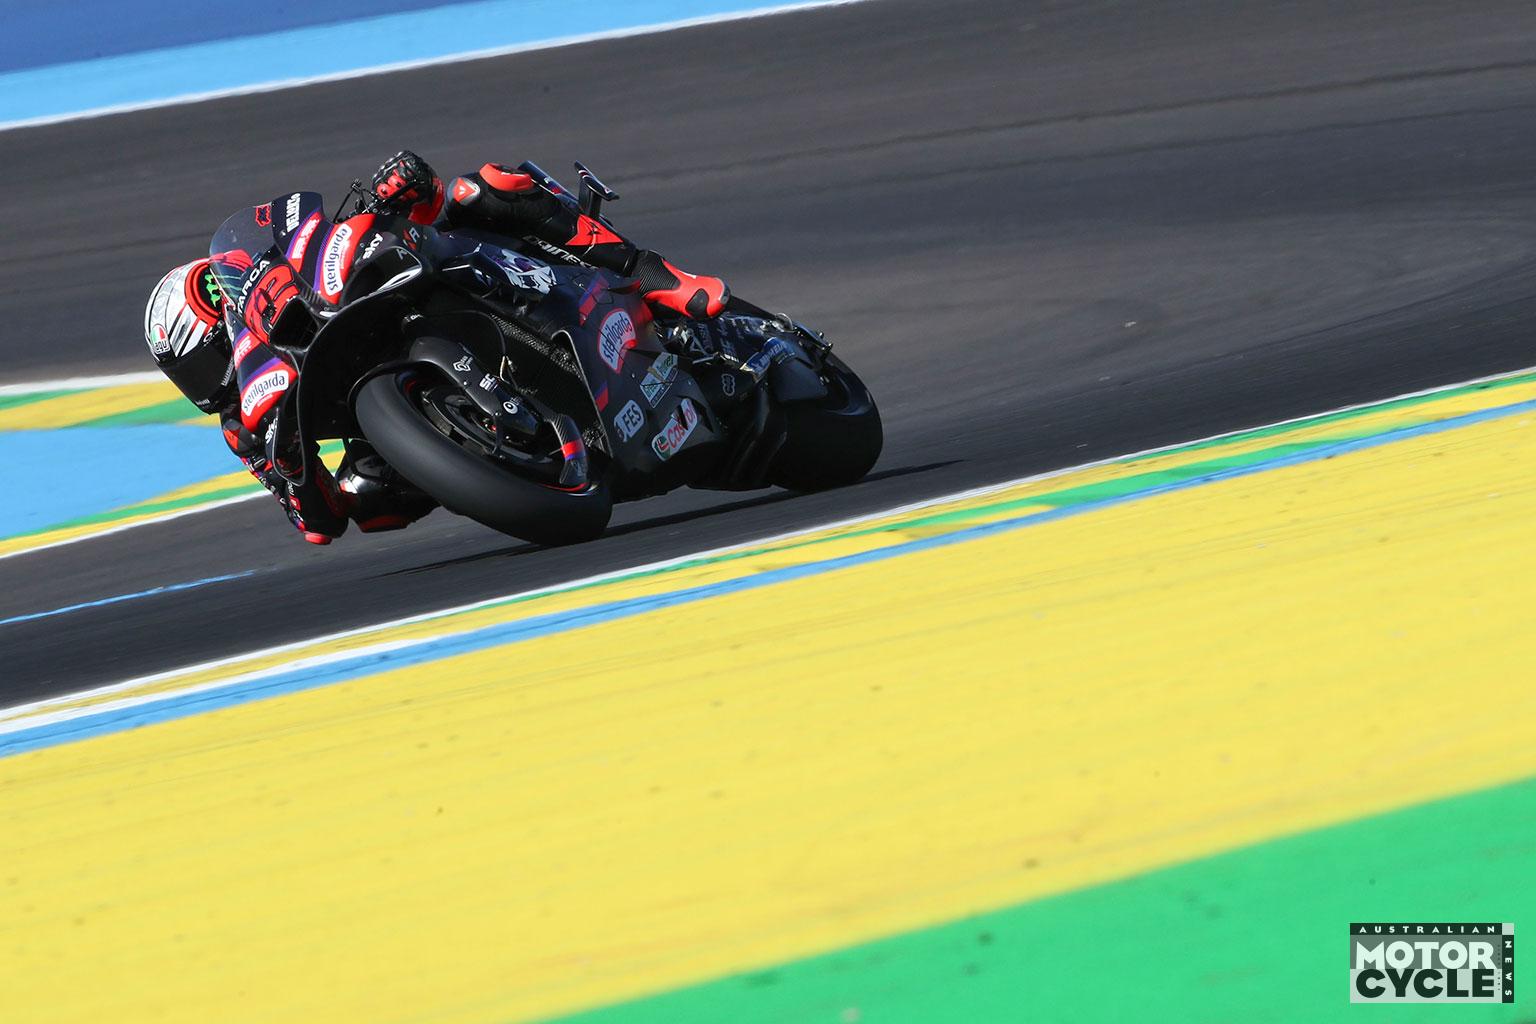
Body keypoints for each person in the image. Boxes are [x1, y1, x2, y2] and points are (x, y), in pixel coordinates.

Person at [143, 150, 730, 544]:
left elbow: (387, 208)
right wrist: (294, 472)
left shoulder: (269, 280)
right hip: (369, 411)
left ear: (222, 310)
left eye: (202, 358)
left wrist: (394, 191)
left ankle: (658, 278)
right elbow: (320, 524)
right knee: (368, 498)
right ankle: (499, 459)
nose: (206, 381)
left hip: (392, 295)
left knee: (483, 188)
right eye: (188, 376)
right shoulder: (244, 428)